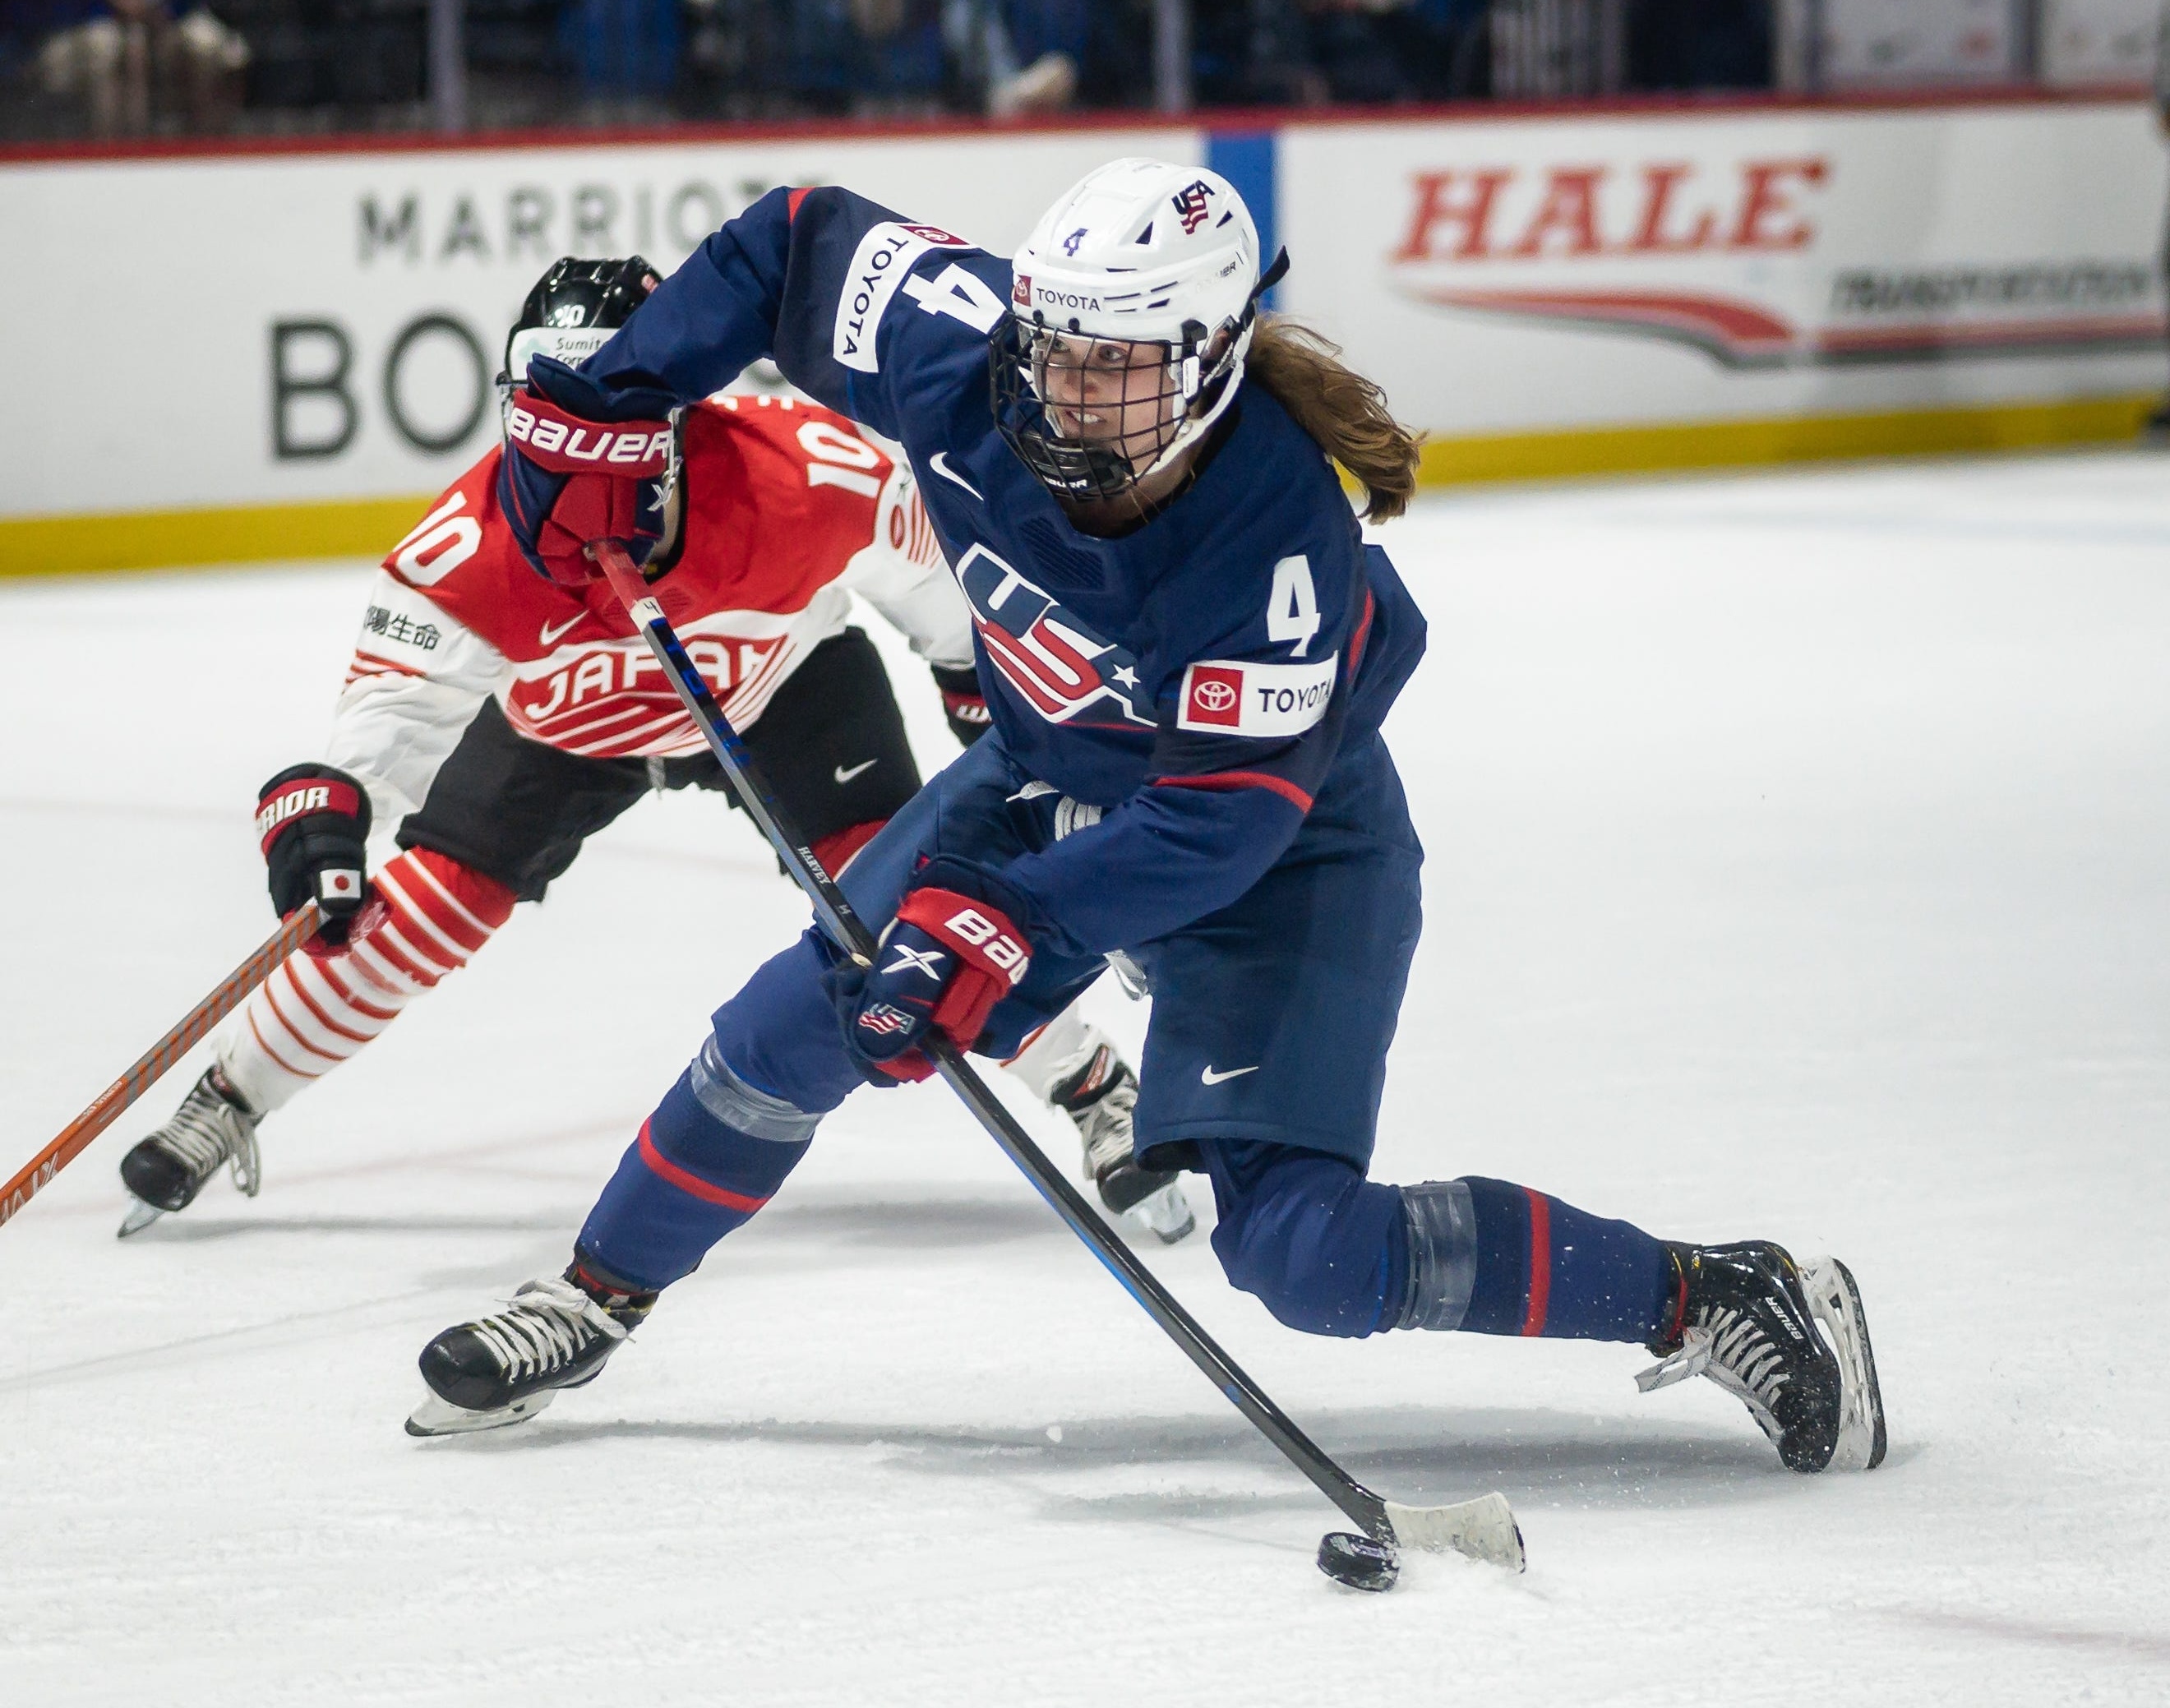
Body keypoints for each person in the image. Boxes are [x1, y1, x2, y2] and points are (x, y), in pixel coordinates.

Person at [406, 162, 1886, 1482]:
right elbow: (788, 245)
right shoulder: (965, 350)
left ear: (1213, 360)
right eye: (1054, 348)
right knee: (788, 1024)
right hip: (1047, 783)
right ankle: (592, 1298)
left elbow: (1222, 820)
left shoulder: (1272, 531)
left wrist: (1012, 924)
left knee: (1303, 1255)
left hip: (1279, 847)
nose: (1061, 393)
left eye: (1113, 368)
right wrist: (611, 400)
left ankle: (1723, 1290)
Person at [117, 256, 1192, 1248]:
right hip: (569, 722)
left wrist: (978, 688)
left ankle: (1094, 1086)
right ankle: (235, 1089)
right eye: (547, 406)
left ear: (679, 411)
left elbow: (943, 599)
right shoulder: (467, 547)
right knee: (422, 905)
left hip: (785, 691)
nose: (571, 446)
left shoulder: (813, 473)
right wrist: (327, 814)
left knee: (911, 911)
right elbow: (383, 728)